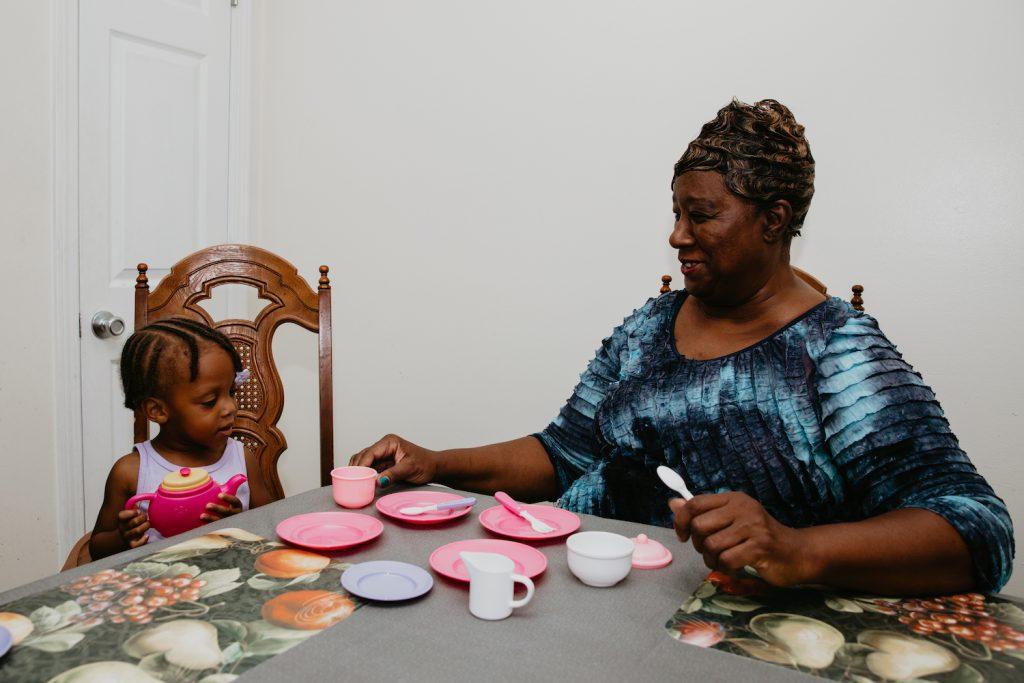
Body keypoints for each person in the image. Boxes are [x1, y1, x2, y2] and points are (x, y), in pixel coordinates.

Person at [352, 99, 1014, 595]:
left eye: (700, 215)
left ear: (774, 221)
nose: (676, 235)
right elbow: (562, 453)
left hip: (718, 623)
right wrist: (436, 462)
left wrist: (797, 549)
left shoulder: (836, 349)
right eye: (675, 213)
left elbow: (977, 527)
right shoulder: (649, 327)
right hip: (579, 592)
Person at [89, 317, 273, 559]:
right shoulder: (131, 472)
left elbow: (272, 524)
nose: (230, 407)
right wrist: (122, 536)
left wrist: (240, 522)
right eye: (210, 402)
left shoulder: (241, 458)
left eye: (231, 392)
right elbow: (97, 549)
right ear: (157, 410)